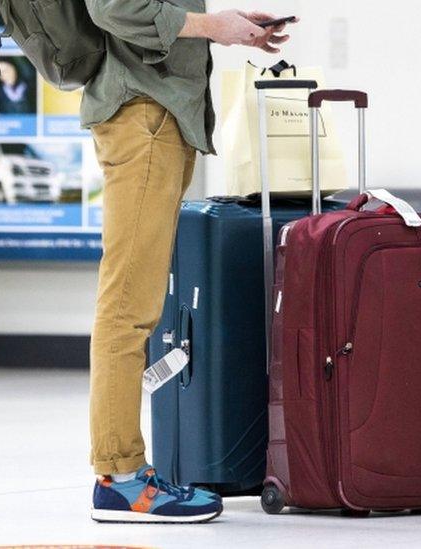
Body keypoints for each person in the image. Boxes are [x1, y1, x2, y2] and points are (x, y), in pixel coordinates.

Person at [82, 0, 293, 524]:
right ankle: (120, 478)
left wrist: (228, 26)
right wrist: (212, 27)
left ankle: (124, 474)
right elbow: (114, 9)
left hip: (161, 116)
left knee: (137, 302)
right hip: (143, 117)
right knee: (127, 305)